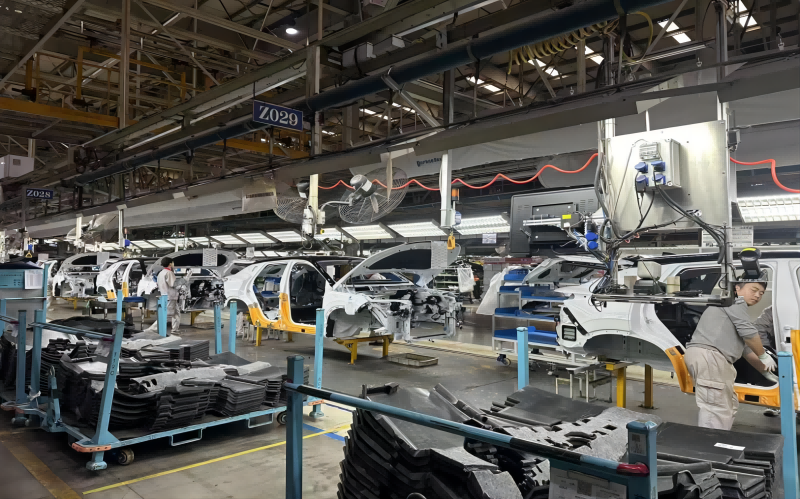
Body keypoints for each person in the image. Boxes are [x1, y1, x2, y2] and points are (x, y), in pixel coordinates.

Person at [684, 280, 776, 430]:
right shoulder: (734, 302)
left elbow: (746, 348)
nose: (757, 295)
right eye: (754, 290)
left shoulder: (732, 309)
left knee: (727, 405)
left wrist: (766, 371)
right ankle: (711, 443)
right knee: (716, 409)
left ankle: (718, 440)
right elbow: (749, 333)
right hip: (711, 356)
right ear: (737, 288)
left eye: (761, 293)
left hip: (714, 358)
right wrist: (763, 355)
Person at [145, 257, 181, 335]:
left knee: (176, 314)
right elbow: (173, 284)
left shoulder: (161, 273)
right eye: (173, 263)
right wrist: (183, 282)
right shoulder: (169, 273)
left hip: (165, 295)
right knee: (166, 315)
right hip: (171, 296)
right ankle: (152, 329)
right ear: (170, 263)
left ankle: (175, 329)